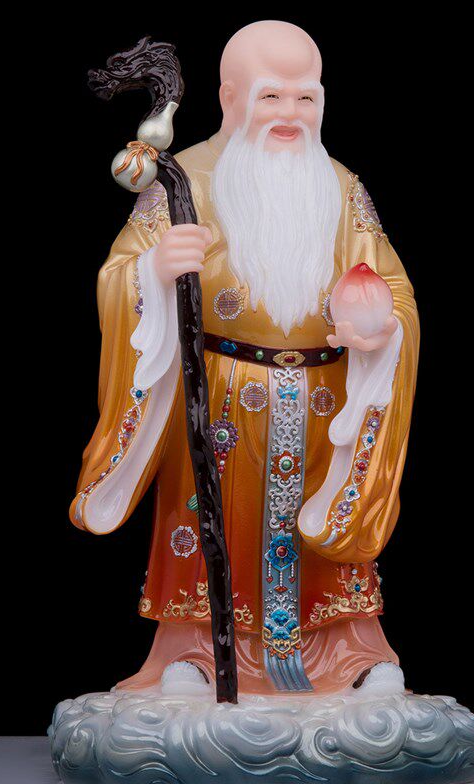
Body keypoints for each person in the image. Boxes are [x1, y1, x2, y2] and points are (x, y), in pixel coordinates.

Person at [70, 20, 419, 694]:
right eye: (271, 96)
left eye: (305, 97)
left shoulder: (339, 185)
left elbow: (393, 284)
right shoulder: (185, 181)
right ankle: (196, 651)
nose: (290, 113)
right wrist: (153, 274)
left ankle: (348, 651)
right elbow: (119, 276)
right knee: (208, 523)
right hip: (221, 394)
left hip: (326, 397)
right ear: (230, 98)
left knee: (323, 530)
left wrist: (384, 328)